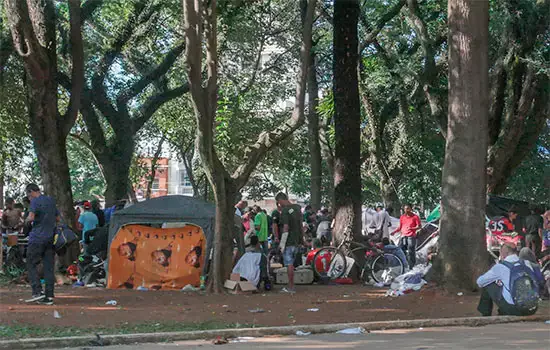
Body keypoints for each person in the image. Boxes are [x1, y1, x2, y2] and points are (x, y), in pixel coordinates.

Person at [477, 244, 539, 316]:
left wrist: (496, 280)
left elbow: (480, 282)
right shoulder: (526, 263)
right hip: (532, 308)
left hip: (514, 310)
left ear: (504, 253)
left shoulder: (501, 267)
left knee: (487, 284)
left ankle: (485, 314)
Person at [24, 184, 60, 305]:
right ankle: (49, 296)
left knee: (30, 263)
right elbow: (58, 219)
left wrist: (25, 222)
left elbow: (31, 217)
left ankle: (37, 292)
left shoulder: (35, 202)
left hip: (37, 238)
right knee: (48, 267)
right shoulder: (50, 200)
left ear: (32, 192)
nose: (29, 198)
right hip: (50, 238)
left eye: (29, 196)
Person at [275, 192, 303, 293]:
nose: (279, 205)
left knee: (289, 263)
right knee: (292, 263)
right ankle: (291, 285)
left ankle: (291, 287)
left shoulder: (285, 211)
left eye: (278, 202)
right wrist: (302, 239)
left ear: (281, 200)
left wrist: (282, 243)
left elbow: (285, 227)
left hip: (289, 241)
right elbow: (301, 225)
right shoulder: (297, 208)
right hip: (296, 240)